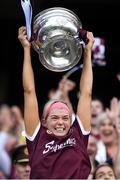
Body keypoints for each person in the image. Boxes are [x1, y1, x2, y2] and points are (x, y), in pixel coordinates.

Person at [18, 26, 94, 179]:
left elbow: (86, 94)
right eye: (55, 118)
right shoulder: (37, 137)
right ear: (44, 122)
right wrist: (26, 49)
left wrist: (87, 53)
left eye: (65, 118)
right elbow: (29, 92)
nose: (61, 122)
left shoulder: (78, 135)